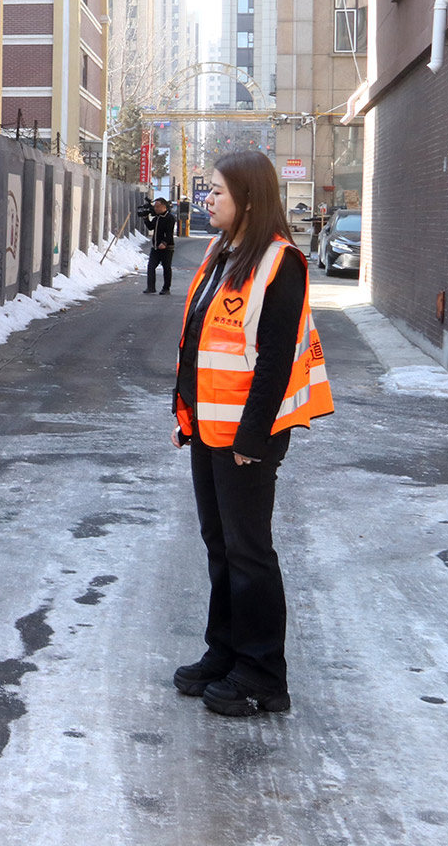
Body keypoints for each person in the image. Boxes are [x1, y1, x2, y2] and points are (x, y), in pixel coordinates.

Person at [170, 152, 334, 717]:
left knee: (249, 552)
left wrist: (252, 438)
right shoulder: (222, 253)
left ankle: (263, 676)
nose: (208, 199)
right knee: (220, 545)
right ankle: (225, 653)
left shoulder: (280, 262)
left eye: (217, 191)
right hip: (209, 429)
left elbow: (275, 361)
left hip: (246, 437)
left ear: (248, 199)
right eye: (209, 190)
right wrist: (186, 416)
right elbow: (199, 342)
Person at [145, 196, 178, 295]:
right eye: (155, 207)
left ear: (164, 207)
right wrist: (145, 218)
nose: (155, 209)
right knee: (151, 267)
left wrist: (164, 243)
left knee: (166, 267)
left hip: (167, 248)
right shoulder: (157, 218)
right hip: (156, 247)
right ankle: (151, 287)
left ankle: (166, 288)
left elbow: (169, 233)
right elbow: (150, 227)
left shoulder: (169, 218)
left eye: (157, 207)